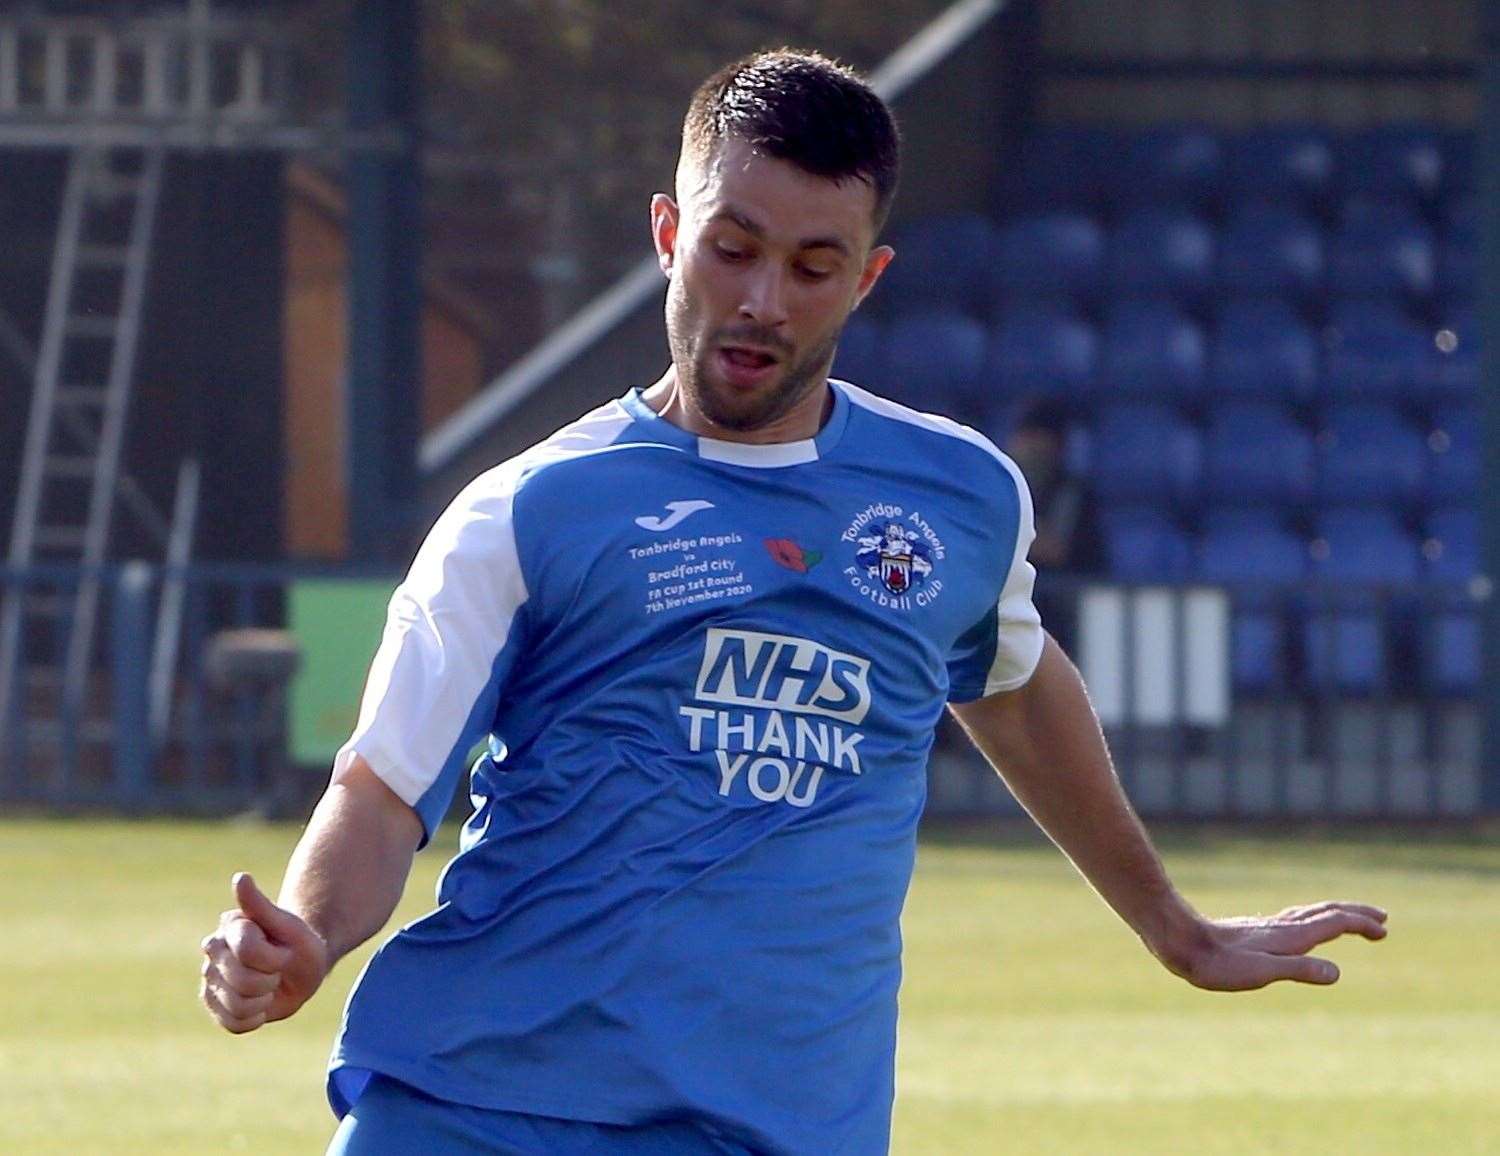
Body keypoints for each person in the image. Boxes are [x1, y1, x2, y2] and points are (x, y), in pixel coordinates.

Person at [199, 50, 1387, 1155]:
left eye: (813, 266)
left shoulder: (960, 496)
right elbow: (383, 785)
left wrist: (1174, 927)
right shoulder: (527, 512)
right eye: (734, 247)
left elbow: (1014, 687)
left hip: (781, 1129)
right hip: (486, 1112)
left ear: (866, 277)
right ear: (669, 234)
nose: (765, 298)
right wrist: (307, 931)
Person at [1003, 398, 1102, 654]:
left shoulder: (1072, 495)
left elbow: (1054, 550)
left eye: (1034, 437)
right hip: (1015, 615)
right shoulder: (1008, 489)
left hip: (1064, 619)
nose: (1025, 446)